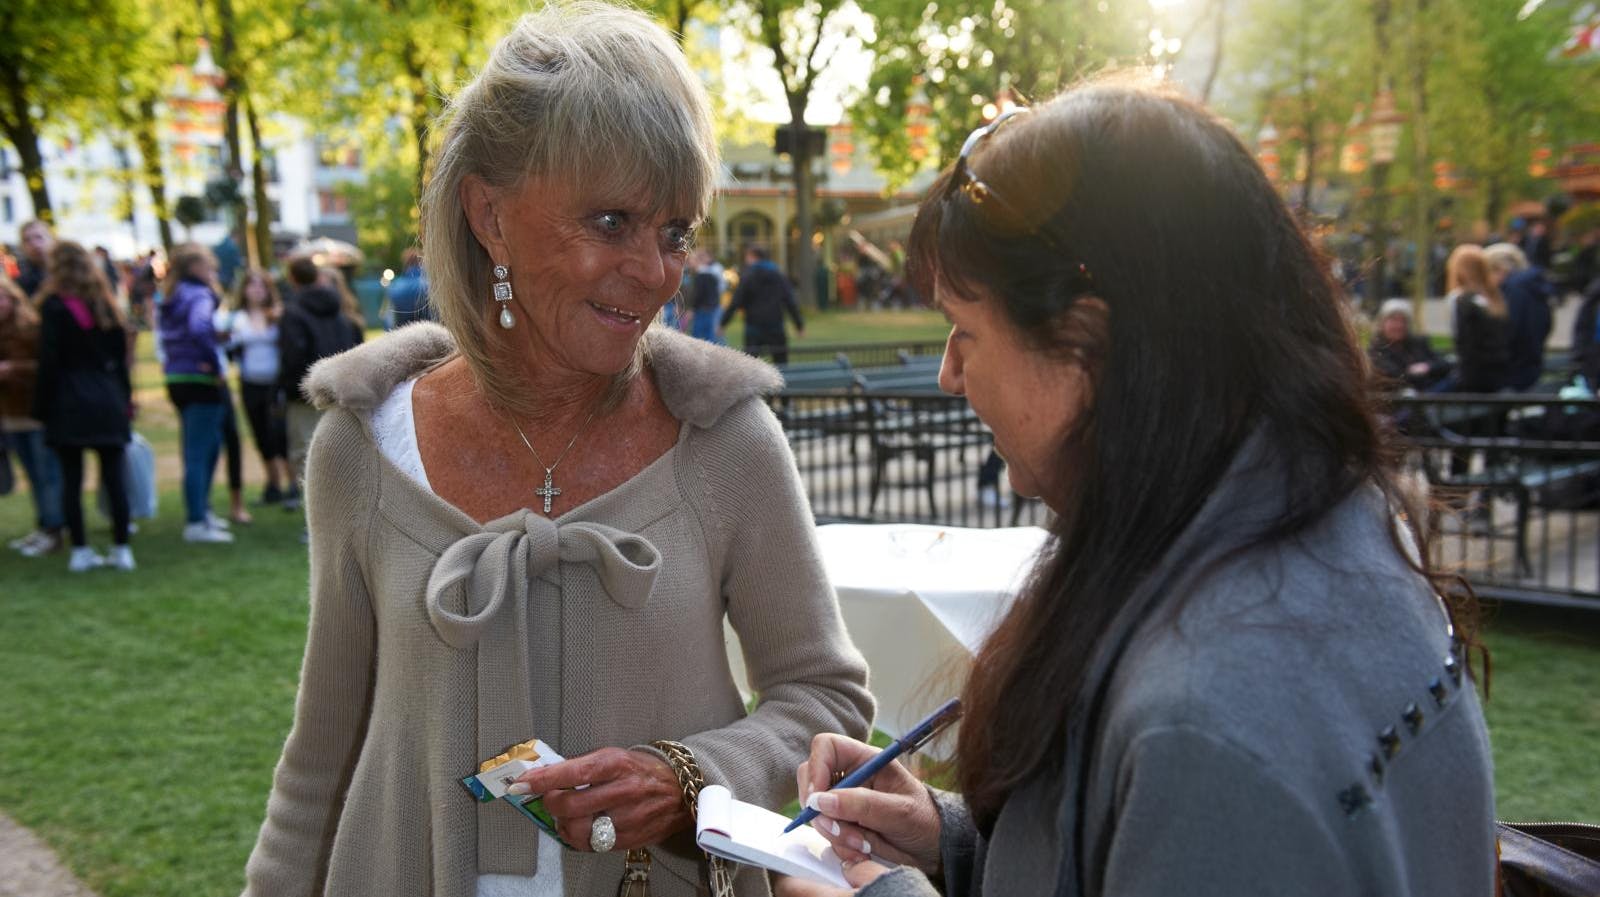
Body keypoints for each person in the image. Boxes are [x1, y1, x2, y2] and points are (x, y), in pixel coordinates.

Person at [778, 79, 1494, 897]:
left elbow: (1205, 814)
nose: (950, 373)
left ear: (1086, 348)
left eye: (966, 330)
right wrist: (954, 841)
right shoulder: (1314, 521)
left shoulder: (1212, 717)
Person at [240, 6, 872, 897]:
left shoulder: (726, 439)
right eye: (612, 221)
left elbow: (825, 697)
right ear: (489, 214)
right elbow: (322, 756)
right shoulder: (362, 445)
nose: (655, 272)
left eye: (676, 231)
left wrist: (688, 775)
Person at [32, 242, 135, 571]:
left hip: (68, 400)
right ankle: (121, 547)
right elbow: (121, 362)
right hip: (106, 397)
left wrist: (41, 407)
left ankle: (80, 548)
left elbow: (49, 361)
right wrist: (125, 399)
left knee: (71, 479)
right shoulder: (106, 304)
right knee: (113, 478)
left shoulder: (52, 306)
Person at [158, 243, 235, 544]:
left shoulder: (171, 294)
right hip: (199, 377)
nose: (214, 273)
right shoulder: (200, 294)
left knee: (201, 446)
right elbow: (199, 327)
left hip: (176, 376)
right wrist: (214, 364)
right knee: (200, 452)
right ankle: (197, 521)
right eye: (211, 268)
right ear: (195, 268)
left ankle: (202, 512)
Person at [277, 256, 363, 508]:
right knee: (338, 455)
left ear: (292, 279)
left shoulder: (293, 313)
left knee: (307, 456)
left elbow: (293, 356)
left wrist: (285, 386)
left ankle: (317, 518)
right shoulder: (341, 314)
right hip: (339, 392)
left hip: (305, 394)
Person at [0, 274, 66, 556]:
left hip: (35, 413)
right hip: (11, 414)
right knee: (33, 475)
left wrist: (12, 369)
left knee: (47, 473)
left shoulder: (30, 328)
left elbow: (47, 367)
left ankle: (55, 528)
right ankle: (44, 525)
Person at [226, 269, 292, 504]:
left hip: (275, 384)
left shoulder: (278, 315)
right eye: (251, 285)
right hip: (250, 382)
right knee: (260, 434)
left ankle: (292, 483)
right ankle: (272, 484)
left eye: (261, 286)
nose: (256, 290)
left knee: (280, 433)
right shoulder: (237, 318)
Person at [1485, 242, 1555, 391]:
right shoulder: (1533, 289)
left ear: (1500, 269)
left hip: (1513, 373)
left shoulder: (1513, 291)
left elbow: (1509, 332)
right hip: (1530, 367)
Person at [721, 245, 804, 365]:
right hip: (775, 323)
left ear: (752, 257)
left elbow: (736, 301)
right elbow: (789, 301)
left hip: (754, 325)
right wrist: (799, 325)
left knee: (750, 364)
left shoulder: (748, 276)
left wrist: (723, 323)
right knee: (781, 362)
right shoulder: (778, 275)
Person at [1445, 244, 1511, 394]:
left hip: (1474, 378)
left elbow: (1464, 342)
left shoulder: (1461, 300)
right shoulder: (1495, 299)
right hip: (1498, 374)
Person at [1367, 298, 1451, 391]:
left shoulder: (1418, 343)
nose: (1398, 325)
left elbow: (1444, 364)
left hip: (1430, 392)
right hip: (1399, 399)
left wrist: (1427, 367)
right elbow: (1394, 376)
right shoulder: (1376, 350)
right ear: (1382, 323)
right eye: (1393, 320)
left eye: (1403, 321)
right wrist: (1414, 373)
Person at [387, 247, 432, 328]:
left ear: (405, 263)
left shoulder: (395, 286)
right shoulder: (431, 285)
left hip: (402, 335)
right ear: (421, 262)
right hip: (430, 333)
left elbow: (389, 320)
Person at [687, 248, 724, 343]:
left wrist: (692, 308)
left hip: (702, 310)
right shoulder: (711, 274)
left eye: (691, 260)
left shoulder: (702, 275)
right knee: (710, 337)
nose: (689, 263)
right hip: (711, 308)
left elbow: (698, 294)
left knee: (697, 338)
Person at [15, 220, 54, 297]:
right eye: (27, 240)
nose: (34, 244)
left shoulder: (70, 265)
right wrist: (44, 291)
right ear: (21, 246)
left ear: (52, 239)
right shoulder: (21, 278)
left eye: (39, 237)